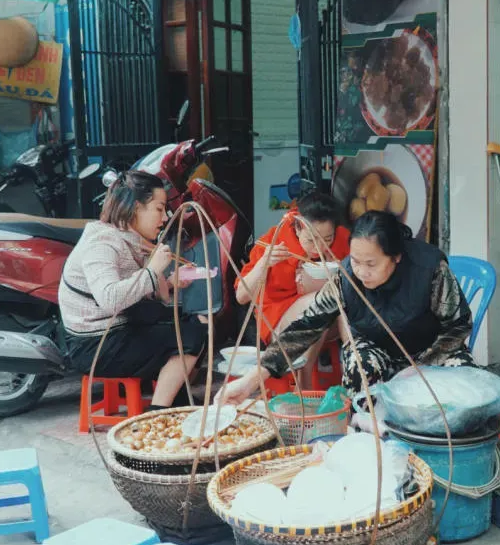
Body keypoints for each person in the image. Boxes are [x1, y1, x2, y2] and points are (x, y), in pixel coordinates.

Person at [217, 210, 475, 404]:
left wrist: (421, 368)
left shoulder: (429, 270)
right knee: (358, 366)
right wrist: (251, 379)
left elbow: (458, 325)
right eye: (356, 261)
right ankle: (368, 435)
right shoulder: (347, 276)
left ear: (396, 256)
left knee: (464, 378)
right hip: (379, 350)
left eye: (371, 264)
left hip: (429, 351)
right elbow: (305, 327)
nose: (361, 272)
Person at [59, 171, 204, 408]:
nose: (165, 218)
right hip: (95, 344)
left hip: (117, 327)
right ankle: (159, 412)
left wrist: (167, 284)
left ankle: (176, 396)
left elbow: (137, 293)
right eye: (159, 209)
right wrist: (152, 271)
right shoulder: (102, 244)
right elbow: (110, 299)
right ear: (136, 208)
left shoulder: (127, 238)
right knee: (190, 336)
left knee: (194, 321)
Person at [235, 192, 351, 386]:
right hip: (279, 319)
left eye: (327, 239)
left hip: (330, 321)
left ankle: (355, 368)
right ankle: (304, 385)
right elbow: (241, 297)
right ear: (298, 228)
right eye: (311, 240)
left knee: (337, 302)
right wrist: (264, 263)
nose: (319, 248)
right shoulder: (274, 241)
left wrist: (344, 270)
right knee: (319, 304)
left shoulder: (343, 240)